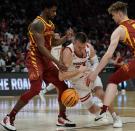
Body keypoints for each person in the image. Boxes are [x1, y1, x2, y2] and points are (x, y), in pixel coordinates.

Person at [0, 1, 76, 131]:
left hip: (45, 59)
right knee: (35, 89)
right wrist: (57, 62)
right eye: (53, 11)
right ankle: (9, 117)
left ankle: (61, 117)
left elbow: (52, 44)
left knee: (62, 85)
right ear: (46, 9)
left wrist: (65, 38)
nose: (55, 13)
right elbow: (41, 47)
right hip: (35, 58)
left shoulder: (50, 25)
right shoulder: (37, 24)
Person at [58, 32, 123, 128]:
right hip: (77, 82)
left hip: (90, 75)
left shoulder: (89, 47)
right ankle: (103, 108)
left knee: (100, 93)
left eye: (83, 47)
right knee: (92, 110)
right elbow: (61, 77)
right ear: (74, 42)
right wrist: (78, 71)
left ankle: (116, 117)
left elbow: (96, 61)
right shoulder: (68, 52)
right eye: (79, 47)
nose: (82, 49)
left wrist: (93, 72)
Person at [39, 28, 75, 101]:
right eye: (56, 35)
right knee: (61, 80)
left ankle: (43, 92)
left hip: (58, 64)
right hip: (52, 64)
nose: (58, 36)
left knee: (62, 79)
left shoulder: (60, 44)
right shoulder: (50, 44)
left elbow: (61, 54)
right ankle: (44, 92)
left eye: (58, 35)